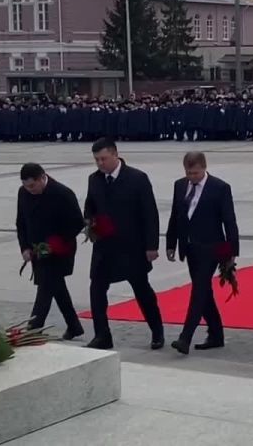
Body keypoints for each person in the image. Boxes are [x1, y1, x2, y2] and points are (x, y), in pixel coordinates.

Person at [83, 138, 165, 350]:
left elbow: (150, 214)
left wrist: (151, 246)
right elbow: (89, 206)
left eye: (103, 158)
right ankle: (102, 335)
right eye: (96, 160)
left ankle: (157, 331)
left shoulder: (137, 178)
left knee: (142, 290)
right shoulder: (94, 180)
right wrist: (90, 225)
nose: (100, 163)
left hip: (132, 248)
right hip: (104, 248)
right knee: (97, 291)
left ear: (115, 154)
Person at [166, 152, 240, 355]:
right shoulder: (179, 185)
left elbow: (229, 221)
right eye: (188, 173)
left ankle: (185, 337)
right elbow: (176, 215)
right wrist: (171, 243)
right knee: (204, 292)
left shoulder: (220, 188)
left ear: (204, 167)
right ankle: (216, 334)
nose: (192, 177)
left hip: (211, 248)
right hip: (189, 248)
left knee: (198, 290)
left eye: (196, 173)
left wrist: (232, 251)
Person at [15, 163, 85, 339]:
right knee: (56, 287)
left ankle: (33, 329)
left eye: (33, 185)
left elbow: (77, 222)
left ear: (42, 178)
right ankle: (74, 326)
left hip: (60, 249)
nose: (30, 190)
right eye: (26, 186)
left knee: (46, 287)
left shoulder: (62, 193)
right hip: (37, 250)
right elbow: (21, 222)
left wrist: (57, 242)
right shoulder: (23, 193)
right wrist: (24, 247)